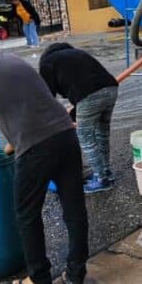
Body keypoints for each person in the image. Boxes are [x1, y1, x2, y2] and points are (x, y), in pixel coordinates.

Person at [0, 32, 89, 284]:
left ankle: (39, 278)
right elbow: (35, 104)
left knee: (26, 213)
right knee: (74, 208)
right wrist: (12, 144)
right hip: (65, 134)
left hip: (36, 147)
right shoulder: (14, 60)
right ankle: (77, 275)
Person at [38, 42, 119, 194]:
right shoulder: (77, 54)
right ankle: (106, 172)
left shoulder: (47, 62)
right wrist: (74, 113)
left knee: (85, 136)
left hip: (89, 96)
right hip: (111, 89)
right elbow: (84, 83)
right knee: (102, 134)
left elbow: (48, 96)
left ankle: (101, 180)